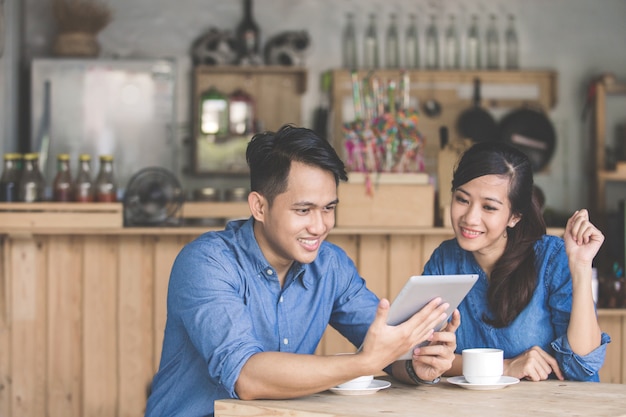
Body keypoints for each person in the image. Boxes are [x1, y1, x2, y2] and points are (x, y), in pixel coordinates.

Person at [145, 125, 459, 417]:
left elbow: (387, 349)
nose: (320, 226)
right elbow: (247, 378)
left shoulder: (330, 265)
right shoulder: (207, 263)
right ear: (259, 207)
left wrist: (418, 365)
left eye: (329, 208)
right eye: (304, 210)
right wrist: (365, 362)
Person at [424, 140, 610, 382]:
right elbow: (423, 356)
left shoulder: (551, 258)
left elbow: (582, 364)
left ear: (514, 217)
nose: (470, 217)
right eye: (462, 199)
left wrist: (582, 265)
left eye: (489, 207)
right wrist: (504, 367)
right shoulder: (444, 260)